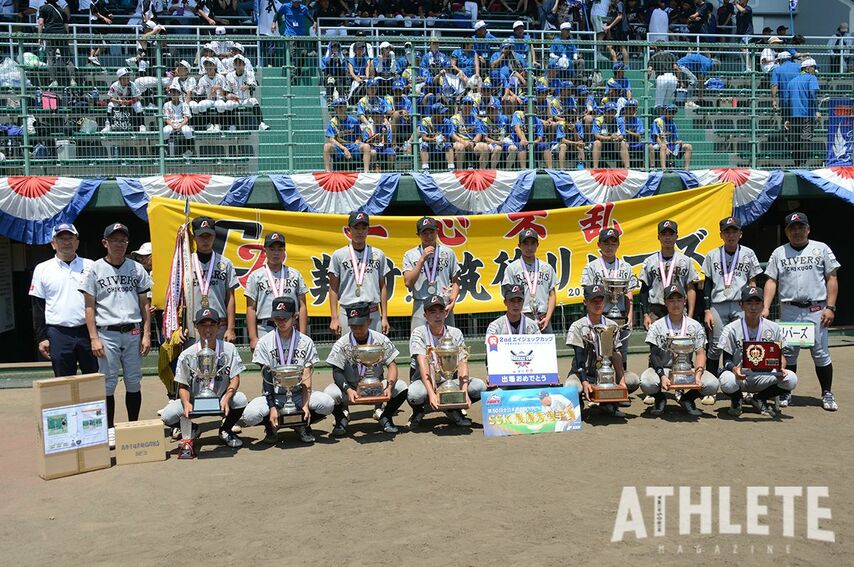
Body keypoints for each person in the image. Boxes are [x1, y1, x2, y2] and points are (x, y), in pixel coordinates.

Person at [80, 223, 151, 448]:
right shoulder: (94, 269)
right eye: (114, 240)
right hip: (107, 332)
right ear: (105, 243)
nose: (119, 244)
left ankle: (132, 426)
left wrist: (147, 334)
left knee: (133, 381)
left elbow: (144, 306)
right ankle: (109, 429)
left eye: (123, 240)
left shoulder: (136, 269)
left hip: (132, 331)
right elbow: (89, 307)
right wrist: (93, 337)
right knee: (107, 384)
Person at [763, 212, 840, 411]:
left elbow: (832, 278)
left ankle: (827, 393)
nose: (796, 231)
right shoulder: (779, 252)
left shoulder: (820, 248)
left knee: (820, 353)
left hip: (816, 308)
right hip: (790, 309)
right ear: (787, 232)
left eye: (800, 227)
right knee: (788, 352)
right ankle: (787, 392)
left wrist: (830, 307)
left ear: (808, 229)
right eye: (792, 228)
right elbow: (771, 281)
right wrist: (765, 307)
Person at [242, 297, 335, 444]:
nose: (281, 322)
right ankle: (271, 427)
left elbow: (306, 377)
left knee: (327, 403)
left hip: (298, 393)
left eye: (285, 318)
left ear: (295, 317)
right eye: (277, 318)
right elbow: (266, 380)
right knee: (250, 415)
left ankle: (302, 425)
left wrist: (305, 406)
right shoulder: (265, 342)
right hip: (275, 394)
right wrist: (272, 407)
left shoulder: (305, 342)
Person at [158, 307, 247, 449]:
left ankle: (226, 430)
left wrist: (227, 397)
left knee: (241, 399)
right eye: (203, 325)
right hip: (195, 402)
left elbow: (235, 378)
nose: (208, 330)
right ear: (196, 327)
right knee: (167, 415)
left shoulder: (229, 349)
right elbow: (183, 385)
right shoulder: (187, 354)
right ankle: (192, 429)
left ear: (219, 326)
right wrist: (186, 403)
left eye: (212, 324)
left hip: (221, 398)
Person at [324, 302, 407, 435]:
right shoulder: (342, 343)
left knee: (401, 386)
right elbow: (337, 371)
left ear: (369, 321)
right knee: (329, 393)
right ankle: (341, 419)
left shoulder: (380, 339)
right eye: (353, 325)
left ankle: (386, 417)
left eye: (360, 325)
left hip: (376, 387)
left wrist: (389, 387)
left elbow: (392, 365)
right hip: (350, 389)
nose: (356, 329)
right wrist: (348, 389)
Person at [407, 294, 486, 428]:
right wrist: (432, 394)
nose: (437, 316)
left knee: (479, 386)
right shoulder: (419, 333)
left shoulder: (455, 333)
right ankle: (419, 411)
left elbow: (462, 363)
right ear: (425, 316)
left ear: (445, 313)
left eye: (441, 311)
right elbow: (422, 364)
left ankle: (453, 409)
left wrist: (464, 393)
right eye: (432, 312)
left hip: (449, 381)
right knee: (415, 394)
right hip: (425, 380)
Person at [640, 282, 719, 416]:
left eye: (679, 299)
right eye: (671, 300)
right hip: (664, 368)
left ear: (685, 300)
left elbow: (700, 353)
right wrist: (662, 376)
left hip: (686, 369)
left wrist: (698, 374)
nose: (675, 304)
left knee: (712, 384)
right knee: (647, 383)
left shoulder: (694, 325)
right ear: (665, 302)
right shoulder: (657, 326)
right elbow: (654, 355)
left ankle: (687, 399)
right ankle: (660, 398)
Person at [718, 286, 798, 417]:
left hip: (764, 376)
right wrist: (734, 370)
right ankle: (737, 399)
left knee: (791, 379)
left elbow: (781, 357)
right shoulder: (731, 329)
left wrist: (781, 367)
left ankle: (760, 398)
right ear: (741, 305)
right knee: (727, 380)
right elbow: (726, 360)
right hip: (740, 376)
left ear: (763, 305)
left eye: (757, 303)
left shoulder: (774, 328)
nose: (753, 307)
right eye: (749, 303)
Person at [30, 224, 97, 377]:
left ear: (77, 242)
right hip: (58, 332)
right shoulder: (42, 268)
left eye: (70, 238)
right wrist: (42, 338)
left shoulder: (91, 266)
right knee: (63, 381)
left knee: (94, 378)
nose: (66, 242)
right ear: (53, 243)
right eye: (61, 238)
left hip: (88, 331)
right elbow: (38, 307)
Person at [564, 284, 640, 418]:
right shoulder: (578, 326)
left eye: (601, 300)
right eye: (594, 301)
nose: (598, 304)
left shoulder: (612, 325)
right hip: (582, 373)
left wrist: (621, 381)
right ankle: (580, 403)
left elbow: (616, 355)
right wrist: (585, 381)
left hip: (606, 374)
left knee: (632, 380)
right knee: (571, 386)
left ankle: (607, 404)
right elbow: (579, 358)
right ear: (585, 302)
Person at [701, 216, 761, 378]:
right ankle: (711, 384)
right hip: (718, 305)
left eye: (734, 231)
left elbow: (752, 281)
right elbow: (707, 284)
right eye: (727, 232)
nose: (731, 235)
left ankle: (739, 382)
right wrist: (707, 310)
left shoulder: (748, 253)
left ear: (740, 234)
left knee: (741, 343)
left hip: (741, 305)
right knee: (715, 345)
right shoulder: (712, 255)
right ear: (721, 235)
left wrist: (753, 306)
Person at [328, 211, 391, 336]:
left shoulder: (378, 254)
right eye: (356, 228)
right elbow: (333, 288)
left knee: (375, 351)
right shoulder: (339, 255)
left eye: (364, 228)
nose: (360, 232)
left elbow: (382, 286)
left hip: (372, 311)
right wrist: (334, 318)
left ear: (368, 230)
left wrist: (384, 317)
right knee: (349, 352)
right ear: (349, 230)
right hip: (348, 311)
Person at [244, 232, 308, 351]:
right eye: (272, 249)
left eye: (280, 249)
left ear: (284, 251)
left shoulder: (295, 274)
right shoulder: (256, 276)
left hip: (291, 327)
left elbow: (303, 306)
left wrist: (303, 335)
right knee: (268, 368)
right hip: (266, 328)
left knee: (292, 365)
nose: (276, 253)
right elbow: (250, 308)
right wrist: (253, 337)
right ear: (265, 251)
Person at [581, 227, 634, 365]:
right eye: (606, 243)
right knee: (598, 351)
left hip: (620, 315)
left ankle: (622, 379)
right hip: (600, 316)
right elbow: (588, 293)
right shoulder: (591, 267)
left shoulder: (625, 267)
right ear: (599, 244)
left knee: (621, 351)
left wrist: (629, 316)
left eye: (613, 243)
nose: (610, 247)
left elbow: (629, 293)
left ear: (618, 244)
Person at [640, 219, 699, 331]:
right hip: (656, 310)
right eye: (664, 234)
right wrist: (646, 315)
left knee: (680, 344)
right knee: (657, 345)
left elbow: (691, 288)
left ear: (676, 236)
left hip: (679, 307)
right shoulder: (650, 261)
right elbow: (644, 289)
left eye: (671, 234)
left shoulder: (685, 261)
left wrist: (690, 315)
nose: (667, 237)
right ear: (658, 237)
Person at [403, 216, 461, 331]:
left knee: (447, 343)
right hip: (421, 304)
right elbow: (408, 282)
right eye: (424, 233)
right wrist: (421, 260)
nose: (429, 236)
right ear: (418, 234)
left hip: (443, 304)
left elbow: (456, 281)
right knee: (419, 341)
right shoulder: (410, 254)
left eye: (432, 232)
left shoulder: (448, 252)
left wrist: (453, 301)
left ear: (437, 232)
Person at [188, 216, 238, 342]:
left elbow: (230, 297)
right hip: (193, 325)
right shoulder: (186, 262)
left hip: (219, 324)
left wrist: (231, 328)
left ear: (214, 236)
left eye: (209, 236)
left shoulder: (225, 263)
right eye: (201, 236)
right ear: (194, 237)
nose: (205, 240)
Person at [501, 228, 557, 334]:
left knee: (547, 349)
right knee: (522, 350)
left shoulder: (547, 267)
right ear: (519, 246)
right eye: (525, 243)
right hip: (522, 317)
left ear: (537, 245)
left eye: (532, 243)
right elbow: (507, 294)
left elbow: (552, 294)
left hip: (543, 317)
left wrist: (548, 317)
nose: (529, 247)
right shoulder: (512, 268)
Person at [788, 58, 820, 166]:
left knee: (796, 138)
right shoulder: (812, 78)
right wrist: (817, 110)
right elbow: (813, 93)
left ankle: (796, 163)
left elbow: (787, 101)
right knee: (806, 138)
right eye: (813, 67)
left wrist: (787, 117)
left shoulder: (791, 82)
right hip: (808, 113)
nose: (815, 70)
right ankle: (803, 163)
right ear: (807, 68)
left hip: (794, 114)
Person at [323, 98, 364, 171]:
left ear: (345, 107)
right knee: (327, 146)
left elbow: (359, 136)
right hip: (339, 148)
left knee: (366, 146)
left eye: (341, 106)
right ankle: (328, 172)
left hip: (352, 146)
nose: (339, 109)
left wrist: (355, 144)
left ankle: (367, 172)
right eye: (337, 107)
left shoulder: (354, 121)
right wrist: (344, 148)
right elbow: (331, 139)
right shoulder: (332, 122)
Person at [649, 105, 693, 170]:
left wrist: (678, 142)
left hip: (670, 144)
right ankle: (664, 169)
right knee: (663, 146)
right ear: (665, 112)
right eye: (669, 112)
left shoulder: (673, 124)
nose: (671, 114)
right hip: (657, 144)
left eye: (673, 113)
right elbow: (657, 138)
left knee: (688, 146)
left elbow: (674, 139)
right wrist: (665, 148)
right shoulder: (658, 121)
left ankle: (686, 169)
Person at [105, 68, 145, 133]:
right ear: (120, 78)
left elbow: (137, 97)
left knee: (138, 104)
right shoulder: (115, 85)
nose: (128, 78)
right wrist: (119, 101)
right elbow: (111, 98)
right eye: (126, 76)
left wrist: (129, 102)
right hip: (119, 102)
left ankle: (142, 125)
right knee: (110, 104)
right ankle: (108, 126)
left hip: (130, 102)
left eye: (128, 75)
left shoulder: (132, 84)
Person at [592, 102, 629, 168]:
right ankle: (595, 167)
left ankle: (627, 168)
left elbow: (623, 135)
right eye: (609, 111)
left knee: (623, 143)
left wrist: (618, 138)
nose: (611, 114)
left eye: (613, 111)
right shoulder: (598, 120)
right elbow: (596, 135)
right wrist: (610, 138)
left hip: (614, 144)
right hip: (602, 144)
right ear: (605, 112)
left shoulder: (619, 120)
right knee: (596, 143)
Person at [419, 102, 455, 171]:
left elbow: (447, 137)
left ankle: (451, 168)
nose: (443, 115)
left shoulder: (447, 122)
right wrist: (433, 139)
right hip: (430, 144)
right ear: (434, 114)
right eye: (441, 113)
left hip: (441, 144)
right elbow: (423, 137)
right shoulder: (426, 121)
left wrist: (442, 139)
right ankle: (425, 168)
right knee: (423, 144)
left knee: (449, 145)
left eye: (443, 113)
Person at [163, 81, 193, 158]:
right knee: (165, 131)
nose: (173, 94)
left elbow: (186, 118)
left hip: (182, 123)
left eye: (175, 92)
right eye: (172, 92)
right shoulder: (166, 104)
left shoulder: (184, 104)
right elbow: (167, 118)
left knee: (187, 131)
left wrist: (180, 125)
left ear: (179, 94)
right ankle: (165, 149)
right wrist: (173, 125)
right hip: (171, 123)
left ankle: (189, 150)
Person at [362, 106, 395, 172]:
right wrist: (375, 137)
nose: (376, 118)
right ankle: (371, 170)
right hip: (372, 147)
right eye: (374, 116)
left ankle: (390, 171)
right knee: (373, 152)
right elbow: (365, 143)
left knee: (390, 152)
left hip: (383, 147)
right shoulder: (368, 128)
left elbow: (388, 143)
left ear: (382, 117)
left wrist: (385, 134)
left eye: (378, 116)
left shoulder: (387, 127)